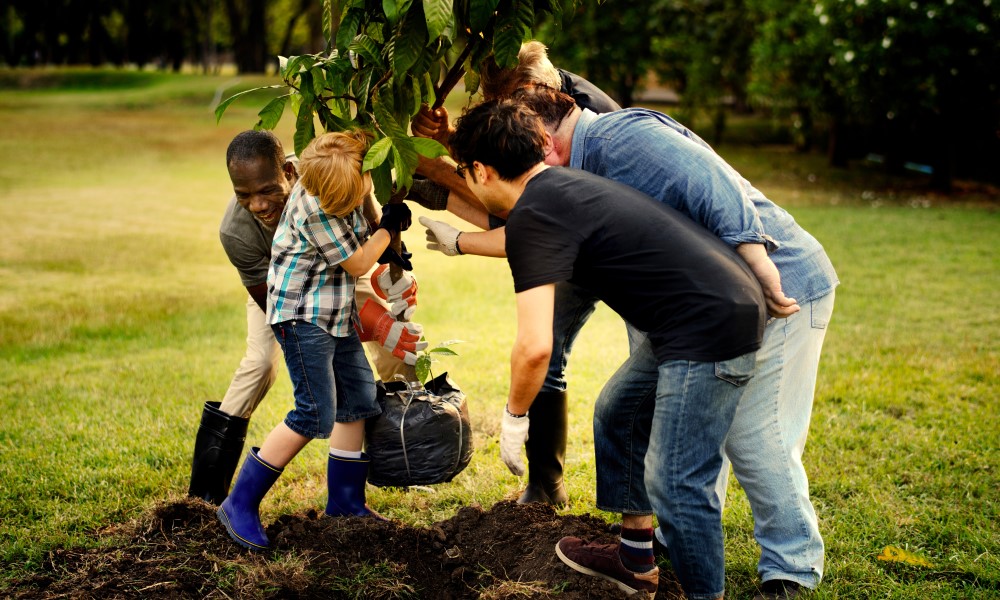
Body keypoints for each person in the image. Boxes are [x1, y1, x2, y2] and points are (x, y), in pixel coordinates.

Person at [428, 85, 840, 598]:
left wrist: (514, 420)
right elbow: (522, 235)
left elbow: (534, 346)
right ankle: (636, 556)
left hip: (717, 318)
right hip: (701, 309)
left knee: (682, 478)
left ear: (483, 172)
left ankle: (752, 579)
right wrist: (458, 240)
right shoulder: (562, 184)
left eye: (466, 171)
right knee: (619, 413)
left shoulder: (611, 149)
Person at [407, 40, 621, 506]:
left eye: (508, 107)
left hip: (621, 250)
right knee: (552, 353)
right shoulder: (534, 104)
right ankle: (546, 485)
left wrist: (443, 173)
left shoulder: (581, 122)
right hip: (575, 234)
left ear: (535, 89)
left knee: (619, 382)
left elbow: (530, 220)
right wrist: (447, 145)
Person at [188, 130, 421, 506]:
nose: (258, 205)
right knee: (275, 376)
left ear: (289, 171)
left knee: (367, 386)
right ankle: (215, 496)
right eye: (244, 196)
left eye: (266, 190)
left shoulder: (328, 170)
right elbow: (281, 304)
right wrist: (373, 319)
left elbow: (364, 225)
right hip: (288, 298)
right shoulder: (244, 230)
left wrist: (390, 262)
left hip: (334, 279)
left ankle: (368, 486)